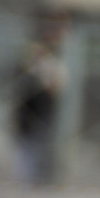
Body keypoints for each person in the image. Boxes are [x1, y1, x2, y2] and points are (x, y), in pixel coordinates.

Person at [10, 36, 65, 186]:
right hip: (26, 115)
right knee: (24, 151)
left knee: (41, 148)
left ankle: (39, 180)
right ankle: (24, 181)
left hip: (42, 114)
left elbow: (54, 88)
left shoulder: (50, 68)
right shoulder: (26, 70)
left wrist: (44, 73)